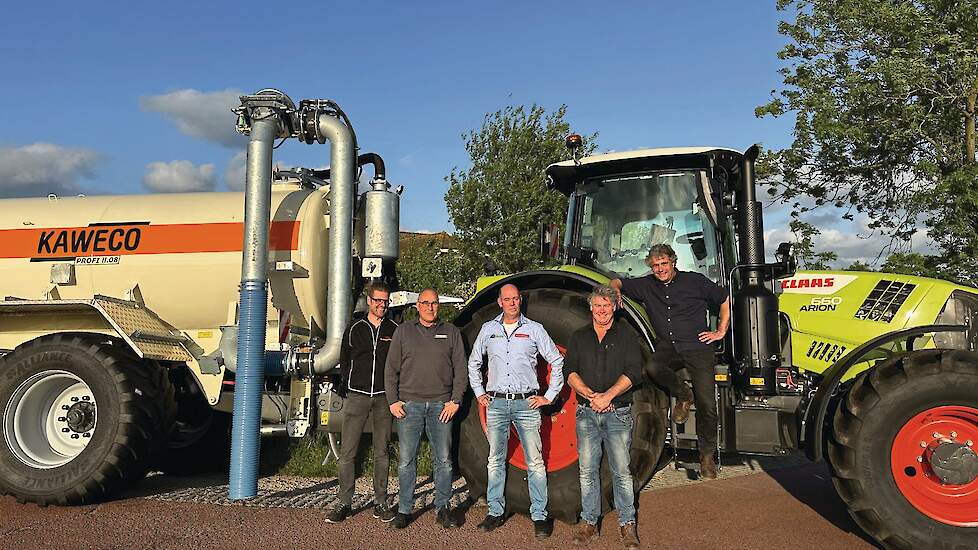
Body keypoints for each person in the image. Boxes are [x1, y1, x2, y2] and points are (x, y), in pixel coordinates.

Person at [610, 243, 729, 479]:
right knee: (653, 367)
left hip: (698, 347)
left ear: (673, 261)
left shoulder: (694, 281)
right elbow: (617, 281)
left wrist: (720, 330)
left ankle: (706, 456)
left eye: (664, 263)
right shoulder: (646, 284)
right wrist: (614, 291)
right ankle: (684, 395)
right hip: (668, 347)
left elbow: (724, 299)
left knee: (708, 404)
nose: (660, 269)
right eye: (655, 265)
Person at [466, 283, 564, 539]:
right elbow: (474, 363)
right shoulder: (489, 330)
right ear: (499, 302)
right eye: (506, 299)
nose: (511, 303)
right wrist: (479, 393)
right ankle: (495, 511)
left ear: (520, 301)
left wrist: (549, 397)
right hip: (497, 404)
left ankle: (540, 515)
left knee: (535, 461)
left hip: (527, 403)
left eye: (515, 299)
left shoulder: (534, 330)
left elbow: (556, 359)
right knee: (495, 460)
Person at [564, 285, 642, 549]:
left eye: (606, 305)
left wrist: (607, 396)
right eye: (597, 305)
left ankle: (627, 524)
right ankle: (589, 522)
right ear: (591, 308)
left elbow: (634, 372)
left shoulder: (627, 336)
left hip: (618, 413)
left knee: (621, 471)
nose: (601, 310)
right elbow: (570, 371)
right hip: (586, 413)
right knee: (587, 471)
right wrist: (589, 395)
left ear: (613, 307)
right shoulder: (579, 337)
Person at [384, 288, 467, 530]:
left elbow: (461, 370)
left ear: (439, 306)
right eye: (426, 303)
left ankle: (443, 507)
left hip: (442, 406)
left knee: (443, 460)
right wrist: (393, 400)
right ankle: (404, 509)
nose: (430, 307)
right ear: (417, 306)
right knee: (406, 461)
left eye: (434, 303)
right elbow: (391, 369)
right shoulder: (404, 332)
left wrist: (455, 401)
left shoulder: (451, 332)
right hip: (409, 407)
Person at [326, 283, 399, 523]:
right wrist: (346, 384)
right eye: (378, 300)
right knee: (348, 452)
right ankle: (344, 502)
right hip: (357, 395)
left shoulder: (394, 328)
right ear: (369, 301)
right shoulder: (355, 327)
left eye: (385, 301)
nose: (382, 305)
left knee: (382, 452)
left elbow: (399, 362)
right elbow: (345, 358)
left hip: (383, 397)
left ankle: (381, 502)